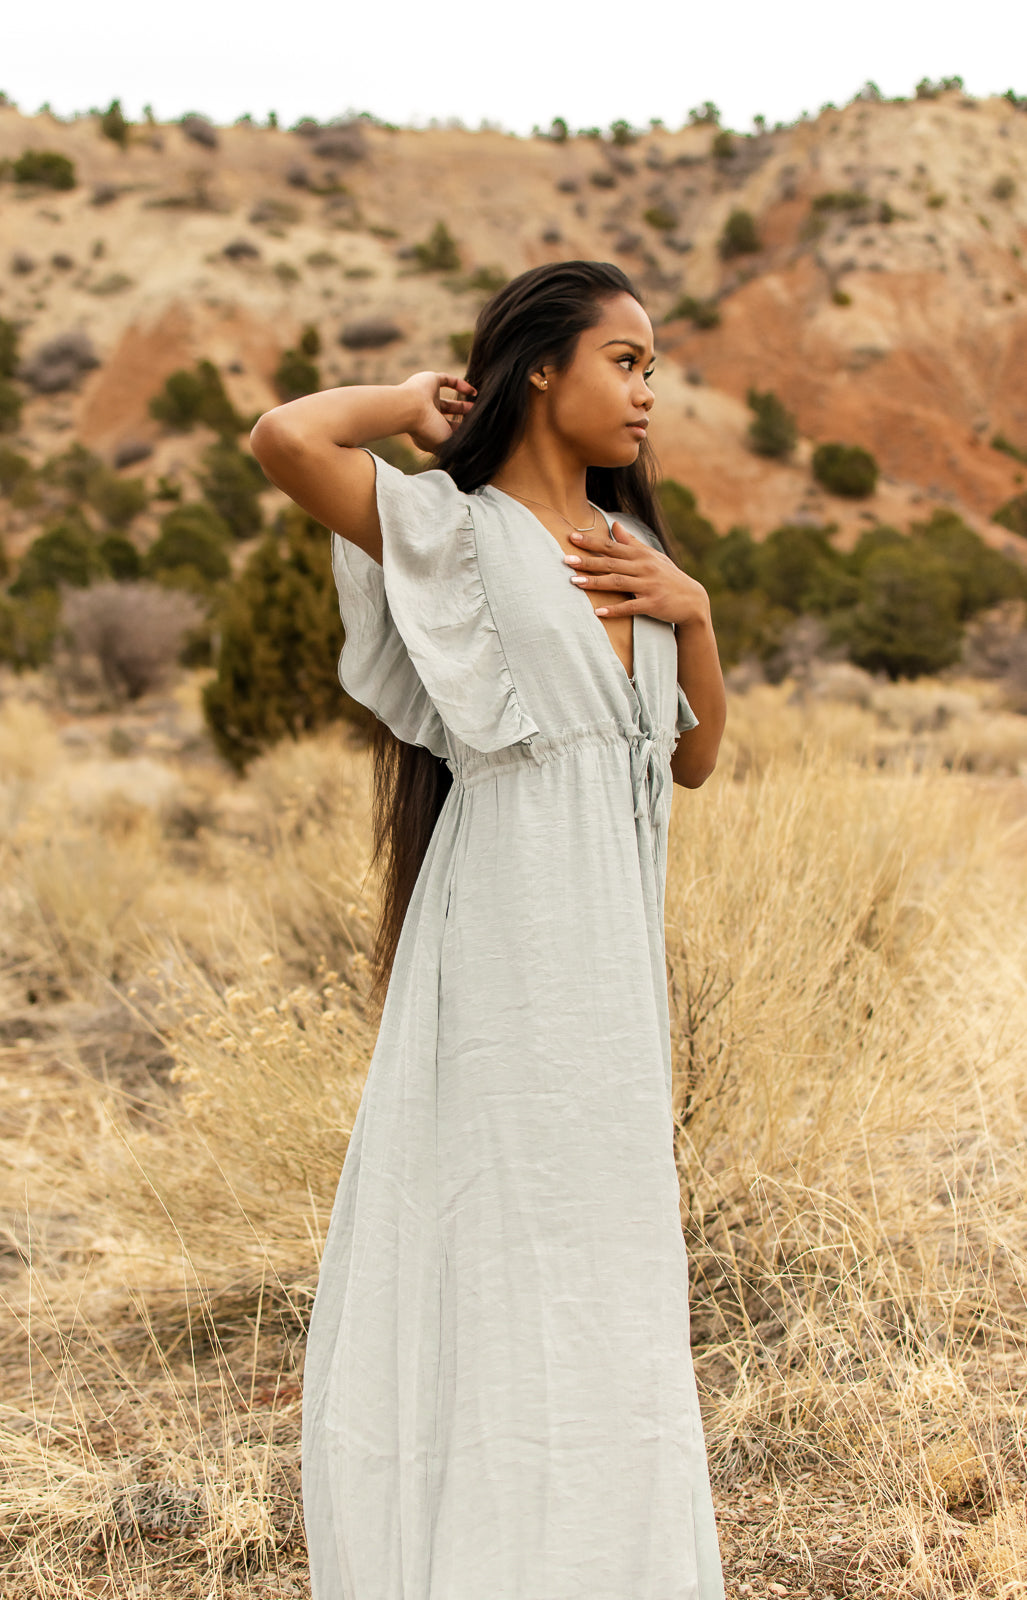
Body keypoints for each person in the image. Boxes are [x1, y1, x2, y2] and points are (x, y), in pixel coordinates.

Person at [250, 259, 727, 1600]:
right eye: (624, 359)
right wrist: (407, 399)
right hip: (509, 935)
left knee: (606, 1257)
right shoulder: (453, 530)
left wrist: (695, 620)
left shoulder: (635, 553)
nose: (647, 389)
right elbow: (285, 438)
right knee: (503, 1239)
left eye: (652, 365)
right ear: (539, 370)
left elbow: (685, 768)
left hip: (613, 956)